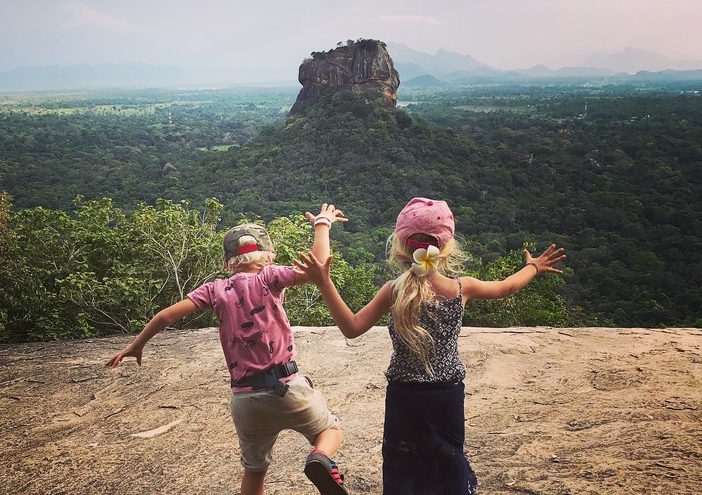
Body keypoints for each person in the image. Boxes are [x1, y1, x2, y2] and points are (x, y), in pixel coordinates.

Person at [294, 197, 566, 495]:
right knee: (448, 463)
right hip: (446, 397)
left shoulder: (393, 290)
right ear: (447, 247)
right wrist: (534, 268)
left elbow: (352, 327)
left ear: (400, 245)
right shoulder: (462, 288)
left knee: (402, 467)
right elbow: (506, 287)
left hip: (403, 397)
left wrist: (324, 283)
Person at [106, 204, 350, 495]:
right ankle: (320, 458)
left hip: (246, 400)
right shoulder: (270, 276)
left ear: (227, 264)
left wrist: (137, 345)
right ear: (269, 257)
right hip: (288, 388)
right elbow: (318, 267)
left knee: (254, 470)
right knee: (330, 431)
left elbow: (165, 316)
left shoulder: (214, 290)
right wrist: (322, 223)